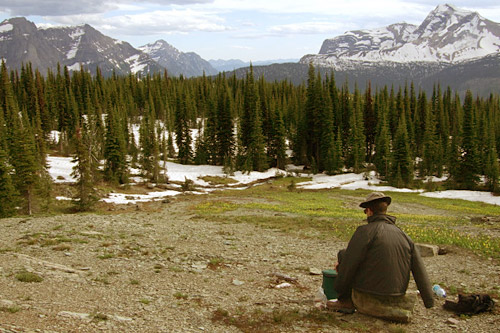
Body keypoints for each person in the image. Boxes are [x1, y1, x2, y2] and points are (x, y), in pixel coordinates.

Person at [330, 192, 434, 321]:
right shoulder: (404, 235)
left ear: (369, 211)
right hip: (397, 294)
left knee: (344, 254)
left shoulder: (364, 231)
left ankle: (345, 301)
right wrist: (429, 301)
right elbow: (420, 270)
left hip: (369, 294)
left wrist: (339, 288)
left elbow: (350, 263)